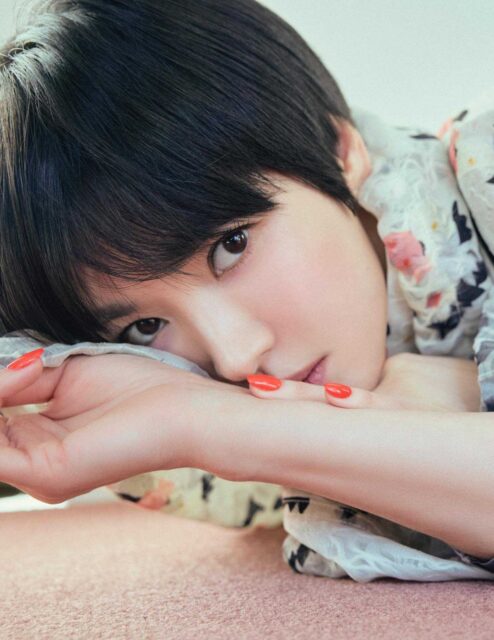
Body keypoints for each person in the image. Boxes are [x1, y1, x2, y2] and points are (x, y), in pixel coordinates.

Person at [0, 0, 493, 582]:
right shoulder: (176, 416)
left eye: (230, 246)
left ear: (340, 151)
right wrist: (204, 424)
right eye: (145, 327)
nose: (235, 358)